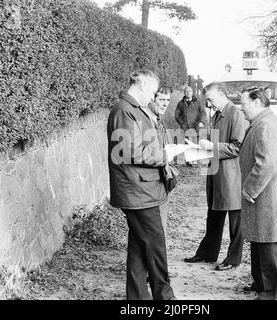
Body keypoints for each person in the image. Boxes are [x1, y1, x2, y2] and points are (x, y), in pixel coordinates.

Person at [107, 70, 177, 300]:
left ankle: (137, 299)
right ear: (143, 85)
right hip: (139, 192)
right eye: (153, 91)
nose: (153, 96)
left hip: (142, 190)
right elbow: (130, 152)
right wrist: (166, 155)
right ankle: (165, 299)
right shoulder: (124, 111)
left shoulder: (132, 110)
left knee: (139, 248)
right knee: (156, 249)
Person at [239, 87, 277, 300]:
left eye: (243, 104)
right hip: (265, 197)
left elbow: (266, 163)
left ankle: (273, 292)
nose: (241, 108)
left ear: (257, 103)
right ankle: (262, 284)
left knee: (269, 243)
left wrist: (249, 188)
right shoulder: (264, 123)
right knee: (260, 240)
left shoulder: (265, 126)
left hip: (266, 197)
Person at [184, 82, 247, 271]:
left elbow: (238, 146)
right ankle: (207, 253)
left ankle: (233, 259)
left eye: (210, 99)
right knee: (213, 215)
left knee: (235, 221)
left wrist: (212, 147)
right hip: (217, 172)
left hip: (231, 176)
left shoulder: (235, 114)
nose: (209, 104)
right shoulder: (218, 113)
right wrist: (203, 147)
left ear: (221, 95)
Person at [145, 87, 172, 232]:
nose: (165, 104)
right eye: (161, 99)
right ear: (152, 99)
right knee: (153, 230)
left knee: (160, 227)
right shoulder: (146, 121)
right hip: (150, 185)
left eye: (168, 100)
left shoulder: (159, 121)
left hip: (161, 181)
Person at [174, 86, 206, 165]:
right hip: (185, 127)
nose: (188, 92)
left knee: (194, 142)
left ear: (192, 93)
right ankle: (189, 160)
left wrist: (201, 122)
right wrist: (182, 123)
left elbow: (203, 113)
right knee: (187, 143)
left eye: (190, 91)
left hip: (195, 126)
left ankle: (194, 159)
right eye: (186, 91)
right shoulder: (181, 103)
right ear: (184, 93)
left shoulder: (197, 103)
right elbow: (177, 115)